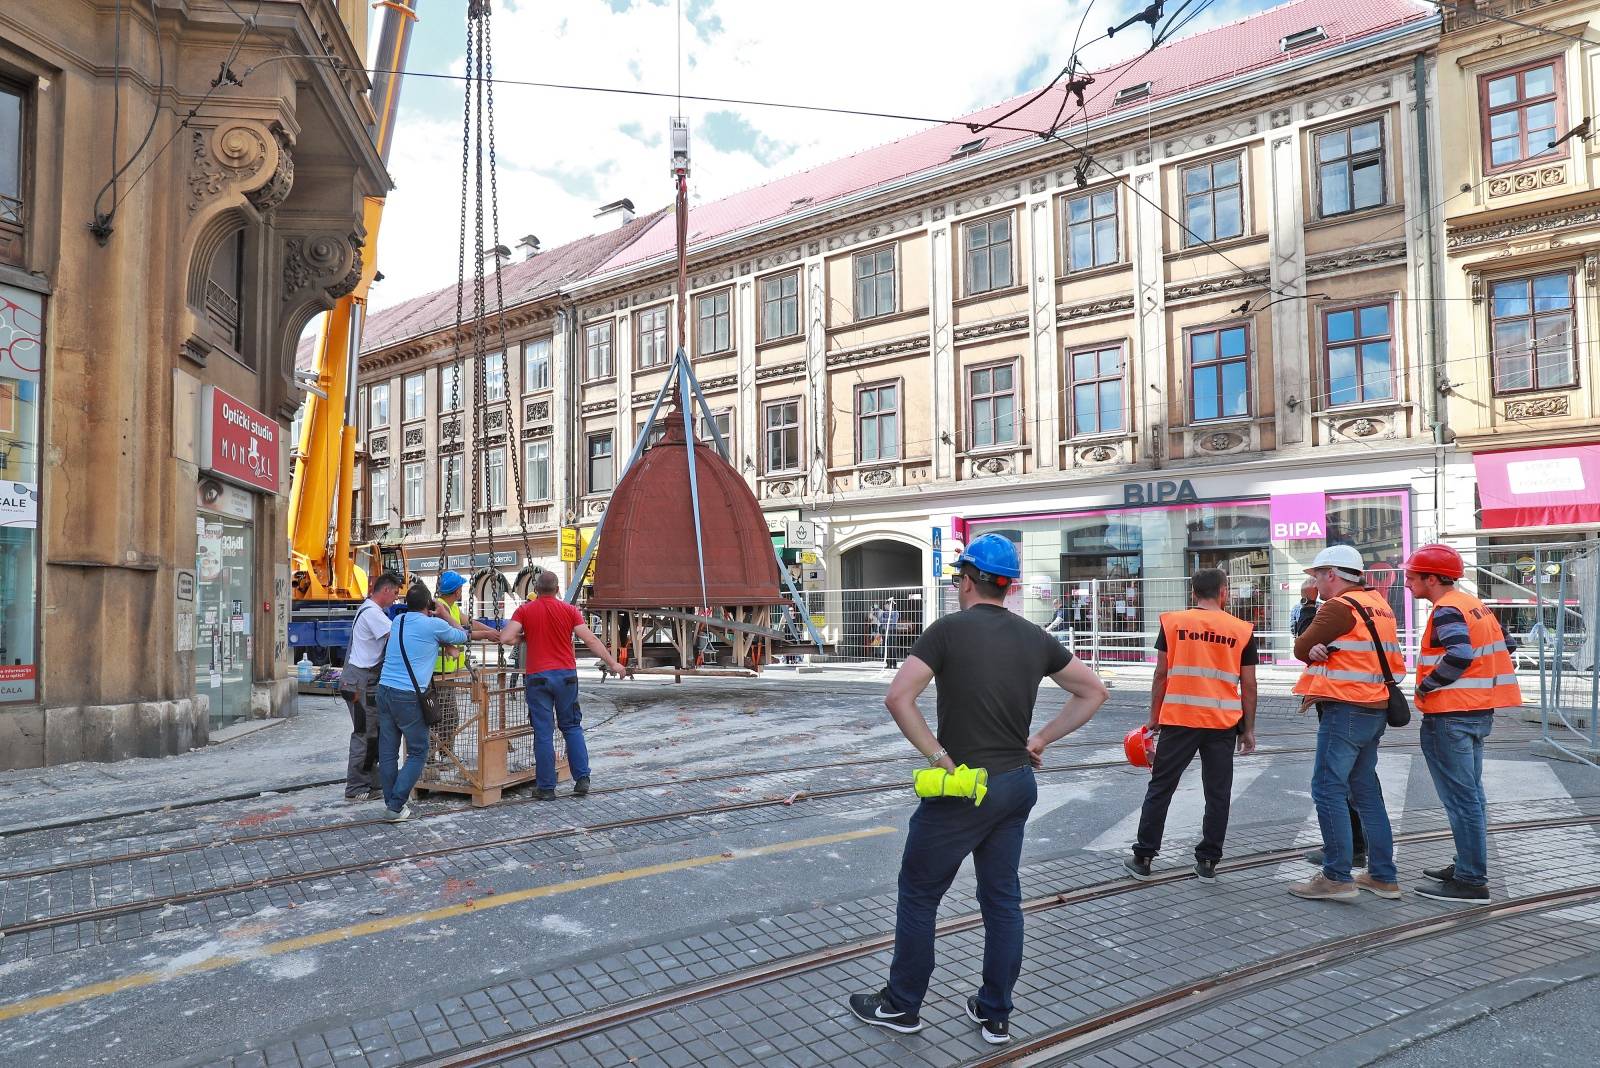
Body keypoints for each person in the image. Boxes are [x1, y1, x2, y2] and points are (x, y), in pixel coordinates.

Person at [847, 533, 1109, 1046]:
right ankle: (995, 1013)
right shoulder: (1035, 637)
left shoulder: (947, 632)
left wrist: (939, 759)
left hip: (962, 790)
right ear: (1008, 587)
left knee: (920, 896)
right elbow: (1093, 690)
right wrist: (1041, 738)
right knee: (1002, 900)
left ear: (967, 580)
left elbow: (899, 698)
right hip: (1016, 784)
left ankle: (901, 1006)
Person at [1404, 544, 1522, 902]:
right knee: (1472, 797)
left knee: (1462, 800)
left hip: (1450, 716)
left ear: (1432, 578)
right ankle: (1467, 863)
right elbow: (1509, 644)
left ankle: (1471, 880)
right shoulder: (1474, 604)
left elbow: (1460, 655)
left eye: (1413, 576)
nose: (1408, 583)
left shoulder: (1447, 609)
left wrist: (1426, 685)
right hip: (1476, 712)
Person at [1124, 568, 1257, 883]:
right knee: (1218, 793)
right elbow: (1249, 684)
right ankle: (1208, 862)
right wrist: (1248, 728)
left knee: (1161, 787)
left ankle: (1143, 857)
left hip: (1180, 719)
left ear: (1193, 593)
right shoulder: (1241, 629)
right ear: (1223, 592)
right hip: (1222, 724)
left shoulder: (1173, 623)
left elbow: (1161, 673)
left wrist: (1154, 717)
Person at [1288, 544, 1405, 901]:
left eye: (1318, 576)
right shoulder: (1378, 605)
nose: (1316, 584)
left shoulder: (1339, 606)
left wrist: (1314, 646)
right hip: (1374, 707)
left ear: (1332, 575)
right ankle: (1383, 875)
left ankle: (1337, 876)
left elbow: (1301, 647)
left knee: (1327, 788)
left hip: (1346, 708)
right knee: (1366, 792)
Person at [497, 570, 626, 799]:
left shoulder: (526, 609)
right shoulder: (569, 610)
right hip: (566, 676)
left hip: (538, 677)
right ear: (557, 590)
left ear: (536, 591)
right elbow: (590, 639)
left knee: (544, 732)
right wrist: (613, 663)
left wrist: (525, 637)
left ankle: (546, 788)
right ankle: (582, 778)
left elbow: (506, 638)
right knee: (571, 726)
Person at [375, 582, 468, 822]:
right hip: (408, 696)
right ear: (429, 605)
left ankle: (391, 803)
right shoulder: (434, 624)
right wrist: (446, 615)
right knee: (418, 751)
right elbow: (463, 635)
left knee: (387, 753)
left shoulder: (398, 621)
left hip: (384, 690)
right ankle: (395, 806)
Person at [339, 572, 401, 801]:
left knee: (374, 733)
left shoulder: (370, 610)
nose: (396, 598)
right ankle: (356, 787)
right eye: (395, 593)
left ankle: (373, 783)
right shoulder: (373, 614)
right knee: (364, 734)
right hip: (359, 684)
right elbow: (397, 637)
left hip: (364, 681)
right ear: (385, 590)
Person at [432, 570, 502, 674]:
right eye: (461, 588)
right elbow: (456, 634)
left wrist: (492, 631)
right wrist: (486, 634)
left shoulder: (453, 606)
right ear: (457, 592)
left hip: (448, 666)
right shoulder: (440, 608)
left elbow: (471, 623)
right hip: (439, 668)